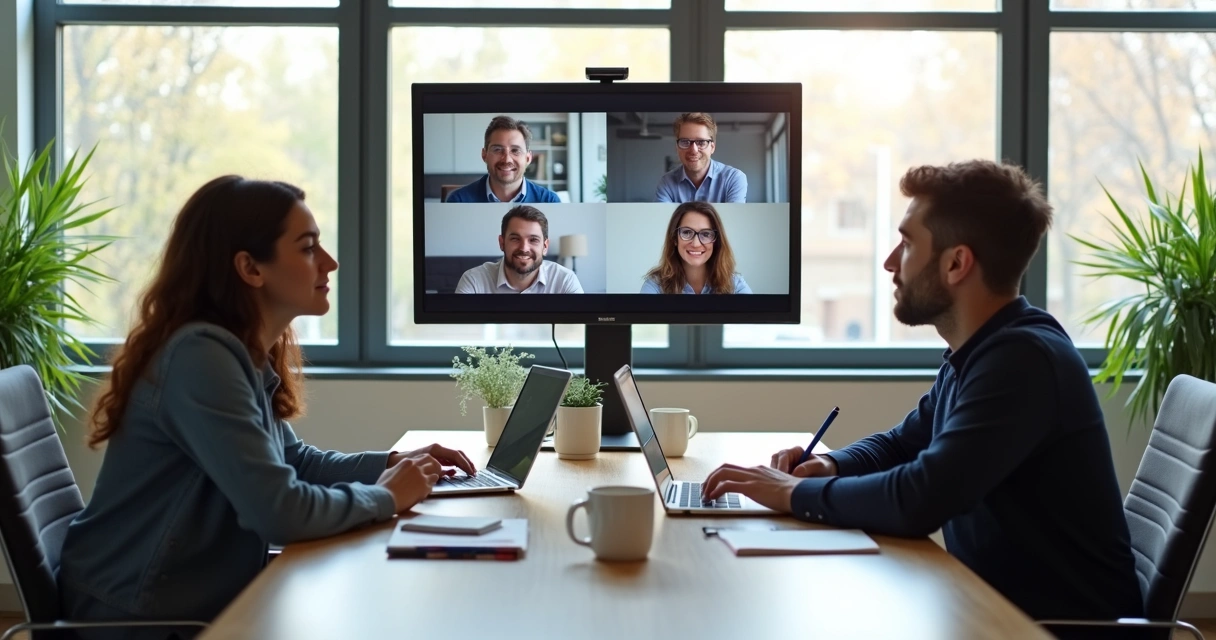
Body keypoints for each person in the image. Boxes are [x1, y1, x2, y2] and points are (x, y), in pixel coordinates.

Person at [701, 160, 1144, 632]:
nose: (891, 262)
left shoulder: (1023, 361)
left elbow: (920, 498)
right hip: (989, 611)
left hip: (1051, 629)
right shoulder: (981, 351)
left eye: (908, 243)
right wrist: (828, 465)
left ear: (956, 263)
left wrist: (795, 493)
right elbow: (902, 444)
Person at [57, 176, 476, 637]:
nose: (330, 262)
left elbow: (295, 461)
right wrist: (387, 496)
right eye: (308, 248)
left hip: (186, 599)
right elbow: (278, 510)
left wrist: (392, 463)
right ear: (250, 268)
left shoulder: (237, 349)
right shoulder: (201, 358)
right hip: (136, 616)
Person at [455, 205, 583, 294]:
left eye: (533, 240)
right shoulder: (474, 280)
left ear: (545, 247)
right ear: (502, 243)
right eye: (515, 239)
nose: (524, 248)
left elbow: (579, 324)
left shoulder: (565, 280)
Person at [640, 201, 751, 294]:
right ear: (674, 238)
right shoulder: (655, 286)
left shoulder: (735, 285)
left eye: (706, 234)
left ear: (716, 241)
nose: (696, 244)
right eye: (687, 232)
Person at [445, 115, 561, 204]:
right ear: (484, 155)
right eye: (497, 149)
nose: (506, 159)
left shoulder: (549, 201)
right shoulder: (459, 200)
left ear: (528, 158)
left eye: (515, 150)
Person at [653, 112, 747, 204]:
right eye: (685, 142)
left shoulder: (733, 179)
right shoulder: (667, 182)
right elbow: (663, 215)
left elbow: (733, 215)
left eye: (701, 142)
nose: (693, 150)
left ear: (712, 147)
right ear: (677, 147)